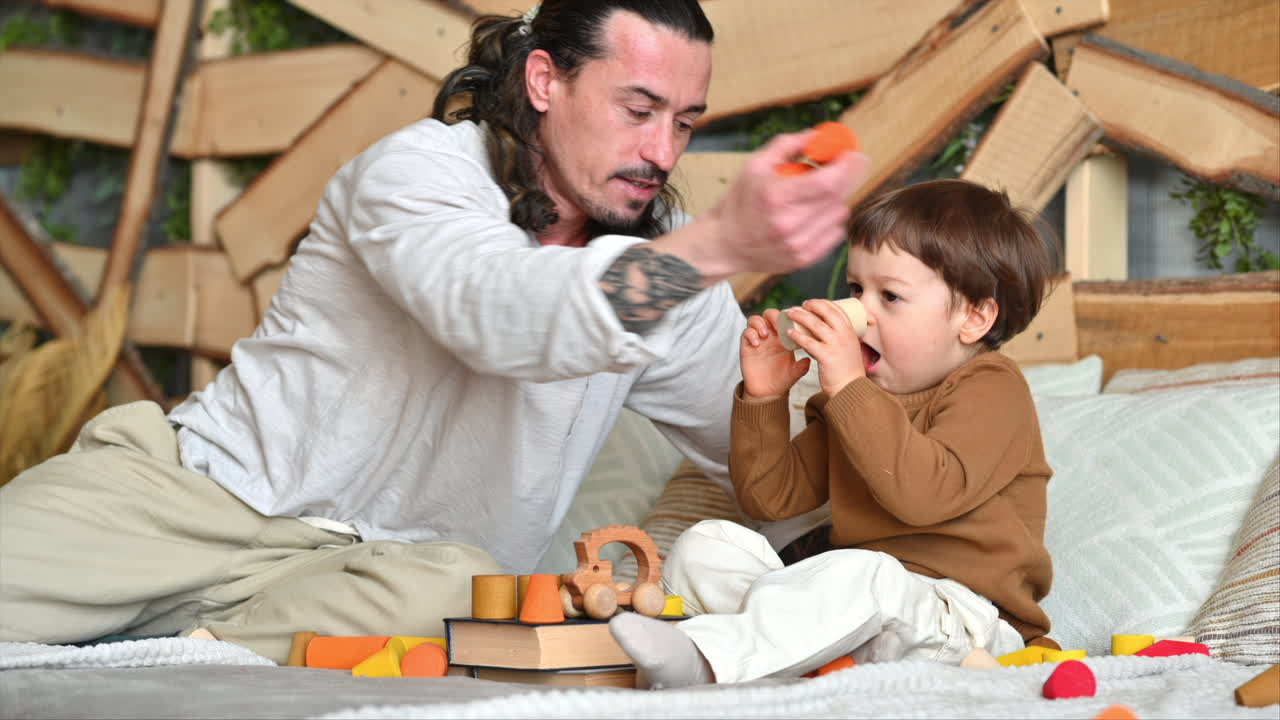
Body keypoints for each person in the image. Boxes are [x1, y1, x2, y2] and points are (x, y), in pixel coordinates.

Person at [0, 0, 868, 665]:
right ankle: (164, 624)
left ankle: (179, 646)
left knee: (470, 594)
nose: (662, 152)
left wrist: (900, 400)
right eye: (638, 109)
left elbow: (765, 457)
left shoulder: (671, 273)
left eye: (684, 122)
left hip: (385, 580)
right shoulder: (419, 172)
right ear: (543, 82)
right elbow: (499, 315)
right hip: (192, 499)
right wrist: (717, 245)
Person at [609, 179, 1057, 688]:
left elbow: (924, 495)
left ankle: (708, 662)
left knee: (865, 573)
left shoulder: (992, 388)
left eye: (890, 296)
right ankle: (785, 657)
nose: (862, 313)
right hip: (856, 618)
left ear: (975, 317)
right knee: (706, 546)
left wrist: (847, 386)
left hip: (962, 622)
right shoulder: (853, 398)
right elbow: (770, 499)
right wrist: (764, 398)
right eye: (855, 290)